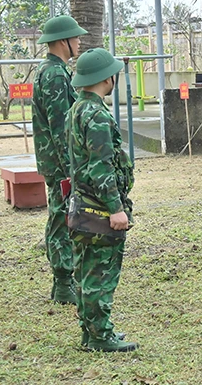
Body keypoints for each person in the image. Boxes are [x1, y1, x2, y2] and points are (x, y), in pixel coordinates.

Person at [67, 48, 138, 352]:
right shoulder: (96, 115)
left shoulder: (77, 109)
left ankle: (92, 331)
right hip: (98, 207)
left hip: (82, 204)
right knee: (101, 273)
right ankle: (99, 336)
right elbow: (101, 166)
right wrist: (116, 209)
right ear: (107, 78)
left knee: (86, 271)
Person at [32, 15, 88, 305]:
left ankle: (63, 282)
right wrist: (71, 168)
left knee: (60, 215)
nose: (78, 42)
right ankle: (63, 282)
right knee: (61, 218)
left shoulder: (53, 70)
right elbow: (59, 127)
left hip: (54, 159)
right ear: (63, 41)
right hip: (59, 162)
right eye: (75, 37)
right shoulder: (54, 74)